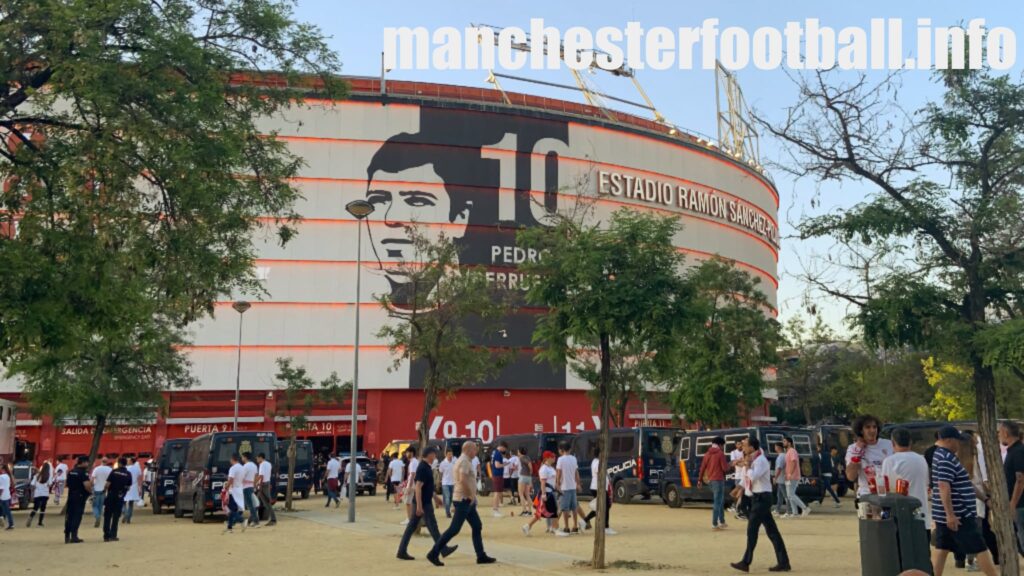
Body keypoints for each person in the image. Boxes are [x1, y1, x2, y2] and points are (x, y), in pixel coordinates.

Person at [929, 426, 997, 576]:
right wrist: (950, 514)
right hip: (960, 514)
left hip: (949, 514)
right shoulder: (946, 458)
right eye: (956, 441)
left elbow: (965, 483)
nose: (959, 445)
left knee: (942, 547)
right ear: (948, 440)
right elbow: (943, 486)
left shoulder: (943, 455)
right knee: (979, 547)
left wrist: (984, 499)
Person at [426, 441, 496, 566]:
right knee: (454, 529)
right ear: (469, 449)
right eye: (475, 449)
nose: (476, 451)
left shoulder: (463, 460)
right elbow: (463, 479)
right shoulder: (464, 461)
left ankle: (481, 555)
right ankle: (433, 553)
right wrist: (470, 495)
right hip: (464, 500)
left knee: (476, 525)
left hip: (466, 500)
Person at [730, 438, 791, 573]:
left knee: (752, 530)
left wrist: (746, 465)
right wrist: (739, 487)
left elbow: (753, 477)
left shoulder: (760, 460)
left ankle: (746, 562)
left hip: (762, 498)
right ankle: (784, 562)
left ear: (752, 447)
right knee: (772, 532)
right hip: (756, 498)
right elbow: (746, 478)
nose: (743, 448)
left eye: (745, 446)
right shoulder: (752, 460)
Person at [396, 447, 458, 561]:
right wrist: (419, 506)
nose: (435, 457)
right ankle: (442, 549)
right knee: (431, 526)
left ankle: (402, 550)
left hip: (424, 502)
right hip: (423, 503)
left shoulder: (426, 467)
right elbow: (418, 487)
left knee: (417, 527)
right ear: (429, 455)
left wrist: (435, 498)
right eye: (434, 454)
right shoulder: (423, 468)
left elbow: (426, 487)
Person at [879, 427, 931, 529]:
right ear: (910, 442)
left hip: (901, 514)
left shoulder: (890, 461)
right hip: (922, 513)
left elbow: (886, 488)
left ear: (893, 443)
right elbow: (926, 483)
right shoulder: (921, 459)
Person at [846, 414, 894, 498]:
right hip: (866, 494)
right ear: (861, 431)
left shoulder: (888, 444)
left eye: (874, 427)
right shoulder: (853, 448)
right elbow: (850, 476)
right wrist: (858, 453)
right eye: (868, 427)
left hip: (888, 494)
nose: (872, 430)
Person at [997, 420, 1024, 557]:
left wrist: (1013, 503)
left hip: (1020, 504)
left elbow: (1020, 480)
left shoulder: (1018, 451)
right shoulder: (1013, 451)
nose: (999, 436)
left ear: (1005, 433)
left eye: (999, 432)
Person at [523, 451, 558, 536]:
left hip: (550, 492)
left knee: (543, 513)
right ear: (547, 458)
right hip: (547, 493)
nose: (554, 458)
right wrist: (543, 494)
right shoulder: (544, 469)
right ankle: (555, 529)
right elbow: (543, 482)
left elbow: (553, 481)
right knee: (552, 512)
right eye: (552, 457)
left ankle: (528, 526)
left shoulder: (551, 468)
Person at [583, 445, 616, 535]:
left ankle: (584, 521)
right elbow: (599, 474)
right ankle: (606, 527)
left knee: (600, 507)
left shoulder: (596, 461)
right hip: (599, 488)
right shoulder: (598, 462)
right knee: (605, 507)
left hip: (597, 487)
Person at [698, 436, 729, 530]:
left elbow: (702, 468)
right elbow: (725, 468)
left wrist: (699, 480)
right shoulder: (720, 454)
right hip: (719, 480)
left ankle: (722, 521)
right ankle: (715, 523)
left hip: (710, 480)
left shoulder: (707, 454)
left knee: (719, 501)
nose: (723, 447)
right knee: (718, 502)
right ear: (720, 444)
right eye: (723, 445)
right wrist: (731, 464)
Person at [554, 440, 581, 536]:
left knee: (565, 508)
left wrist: (557, 483)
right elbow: (576, 472)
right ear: (569, 449)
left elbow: (558, 472)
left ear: (561, 449)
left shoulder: (560, 459)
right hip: (572, 486)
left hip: (564, 487)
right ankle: (575, 526)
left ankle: (566, 527)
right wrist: (578, 483)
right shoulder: (574, 458)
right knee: (574, 508)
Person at [103, 458, 133, 542]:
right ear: (125, 464)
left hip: (111, 495)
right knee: (116, 516)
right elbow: (128, 486)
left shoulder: (113, 471)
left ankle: (106, 535)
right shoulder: (128, 474)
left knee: (107, 516)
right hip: (120, 496)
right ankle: (113, 535)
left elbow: (107, 484)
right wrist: (123, 492)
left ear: (119, 463)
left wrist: (104, 491)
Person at [64, 456, 92, 544]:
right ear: (83, 462)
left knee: (69, 516)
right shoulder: (83, 473)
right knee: (77, 516)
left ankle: (67, 535)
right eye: (87, 462)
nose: (87, 464)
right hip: (80, 496)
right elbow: (87, 485)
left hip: (71, 495)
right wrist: (90, 492)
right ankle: (74, 536)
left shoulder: (71, 472)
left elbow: (67, 484)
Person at [783, 437, 809, 517]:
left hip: (793, 476)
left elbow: (794, 462)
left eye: (784, 441)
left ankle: (805, 508)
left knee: (791, 494)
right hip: (789, 476)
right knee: (789, 495)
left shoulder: (792, 451)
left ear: (789, 443)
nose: (783, 443)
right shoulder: (788, 452)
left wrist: (790, 473)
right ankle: (795, 512)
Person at [223, 453, 246, 534]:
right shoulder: (242, 468)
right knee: (234, 509)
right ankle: (229, 527)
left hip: (233, 490)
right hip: (240, 489)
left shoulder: (233, 468)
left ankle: (242, 520)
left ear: (232, 459)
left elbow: (231, 479)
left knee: (231, 508)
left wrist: (226, 487)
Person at [27, 461, 53, 528]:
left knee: (35, 507)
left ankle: (31, 516)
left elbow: (32, 485)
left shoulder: (37, 476)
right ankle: (40, 523)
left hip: (37, 494)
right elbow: (50, 485)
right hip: (45, 494)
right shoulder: (48, 476)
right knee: (42, 509)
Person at [256, 452, 277, 527]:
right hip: (267, 483)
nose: (257, 460)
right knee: (262, 502)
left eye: (257, 458)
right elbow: (268, 474)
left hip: (263, 485)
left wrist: (258, 484)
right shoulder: (269, 464)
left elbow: (261, 476)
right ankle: (252, 519)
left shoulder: (262, 464)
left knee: (265, 503)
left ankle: (273, 519)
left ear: (261, 458)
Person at [90, 457, 112, 528]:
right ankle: (99, 516)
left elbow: (92, 479)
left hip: (96, 488)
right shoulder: (110, 469)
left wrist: (91, 486)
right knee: (100, 505)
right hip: (104, 489)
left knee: (94, 505)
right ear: (107, 461)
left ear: (101, 461)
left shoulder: (96, 469)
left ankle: (97, 516)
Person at [818, 443, 841, 508]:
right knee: (824, 488)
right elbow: (832, 464)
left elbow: (819, 463)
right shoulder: (828, 455)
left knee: (829, 488)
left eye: (818, 447)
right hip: (829, 473)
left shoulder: (820, 454)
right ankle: (820, 502)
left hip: (824, 473)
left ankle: (837, 501)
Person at [121, 457, 142, 525]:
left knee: (123, 501)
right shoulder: (137, 468)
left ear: (131, 461)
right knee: (131, 503)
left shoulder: (125, 468)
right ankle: (129, 518)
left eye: (128, 460)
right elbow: (139, 477)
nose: (127, 461)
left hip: (126, 486)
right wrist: (139, 487)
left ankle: (125, 513)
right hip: (134, 486)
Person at [490, 442, 507, 517]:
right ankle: (495, 510)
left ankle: (496, 509)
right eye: (505, 449)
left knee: (498, 492)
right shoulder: (497, 454)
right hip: (497, 474)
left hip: (496, 474)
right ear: (502, 447)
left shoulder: (494, 453)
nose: (504, 450)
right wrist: (505, 464)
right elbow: (497, 465)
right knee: (497, 492)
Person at [772, 443, 788, 517]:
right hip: (781, 479)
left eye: (775, 446)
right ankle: (777, 510)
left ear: (778, 447)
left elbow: (779, 468)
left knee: (785, 496)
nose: (774, 448)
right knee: (780, 495)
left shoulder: (781, 457)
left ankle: (789, 511)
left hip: (781, 479)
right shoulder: (783, 456)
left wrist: (775, 477)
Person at [439, 449, 455, 518]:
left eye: (451, 454)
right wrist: (440, 481)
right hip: (445, 483)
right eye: (449, 454)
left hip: (453, 482)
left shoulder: (454, 461)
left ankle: (447, 507)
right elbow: (440, 473)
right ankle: (448, 512)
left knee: (450, 498)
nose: (450, 456)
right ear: (446, 455)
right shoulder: (443, 463)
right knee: (447, 497)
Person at [516, 448, 533, 517]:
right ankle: (530, 511)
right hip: (528, 477)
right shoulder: (528, 457)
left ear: (520, 452)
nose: (517, 453)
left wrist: (531, 469)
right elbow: (529, 463)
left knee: (521, 494)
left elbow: (529, 464)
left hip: (523, 476)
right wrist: (531, 471)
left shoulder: (522, 458)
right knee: (527, 494)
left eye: (518, 451)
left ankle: (524, 511)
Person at [0, 464, 14, 531]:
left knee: (5, 511)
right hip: (7, 495)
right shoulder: (8, 476)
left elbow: (1, 488)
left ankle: (10, 524)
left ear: (3, 469)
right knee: (6, 511)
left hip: (2, 496)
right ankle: (4, 522)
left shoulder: (1, 477)